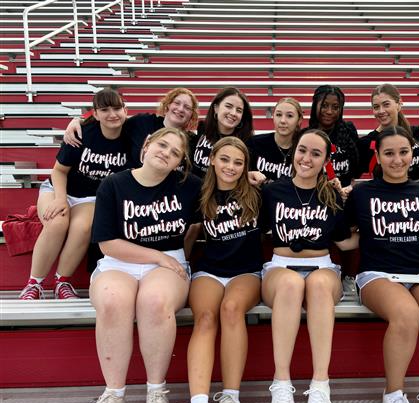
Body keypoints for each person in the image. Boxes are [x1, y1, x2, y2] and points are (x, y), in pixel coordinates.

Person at [78, 128, 202, 403]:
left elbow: (224, 193)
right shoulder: (114, 184)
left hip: (169, 262)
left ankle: (156, 393)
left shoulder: (189, 186)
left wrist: (255, 177)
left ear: (179, 163)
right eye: (162, 145)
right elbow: (107, 244)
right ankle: (114, 397)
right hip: (121, 260)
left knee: (155, 301)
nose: (166, 153)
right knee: (111, 301)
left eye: (175, 152)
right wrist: (158, 257)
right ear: (147, 144)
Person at [345, 125, 419, 403]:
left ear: (412, 154)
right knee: (406, 314)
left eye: (403, 152)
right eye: (389, 153)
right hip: (377, 273)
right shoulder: (362, 192)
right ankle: (393, 393)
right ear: (377, 157)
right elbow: (346, 236)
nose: (397, 160)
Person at [260, 129, 356, 403]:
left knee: (314, 284)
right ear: (294, 153)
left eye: (316, 153)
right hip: (279, 266)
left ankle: (320, 384)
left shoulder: (333, 195)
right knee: (290, 283)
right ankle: (281, 382)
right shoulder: (272, 191)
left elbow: (345, 244)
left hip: (322, 265)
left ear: (326, 159)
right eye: (303, 150)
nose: (307, 158)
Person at [183, 137, 262, 403]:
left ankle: (231, 397)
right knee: (204, 318)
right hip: (210, 270)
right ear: (213, 159)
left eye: (238, 162)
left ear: (246, 167)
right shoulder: (198, 192)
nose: (231, 167)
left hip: (247, 272)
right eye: (225, 160)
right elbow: (189, 232)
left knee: (231, 308)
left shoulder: (257, 193)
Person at [19, 88, 129, 300]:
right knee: (58, 221)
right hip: (58, 188)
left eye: (117, 108)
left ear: (125, 110)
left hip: (90, 197)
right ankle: (34, 284)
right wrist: (61, 199)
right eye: (105, 110)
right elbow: (59, 171)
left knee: (84, 226)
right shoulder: (83, 133)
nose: (112, 114)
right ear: (95, 114)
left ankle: (62, 282)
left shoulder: (131, 135)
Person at [64, 87, 199, 166]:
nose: (180, 109)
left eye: (187, 107)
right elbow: (113, 121)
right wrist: (79, 120)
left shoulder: (192, 141)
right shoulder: (142, 122)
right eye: (177, 103)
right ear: (168, 105)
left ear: (191, 114)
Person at [357, 84, 419, 180]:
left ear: (399, 104)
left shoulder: (416, 133)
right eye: (376, 107)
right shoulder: (365, 143)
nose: (381, 111)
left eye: (386, 105)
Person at [191, 86, 254, 178]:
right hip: (195, 188)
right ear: (216, 108)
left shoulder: (246, 142)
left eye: (239, 110)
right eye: (228, 106)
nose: (233, 113)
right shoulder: (203, 127)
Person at [306, 85, 359, 190]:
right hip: (315, 197)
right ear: (315, 105)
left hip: (344, 196)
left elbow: (356, 167)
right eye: (324, 105)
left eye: (335, 107)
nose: (329, 111)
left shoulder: (349, 130)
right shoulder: (306, 136)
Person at [246, 97, 303, 182]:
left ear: (299, 120)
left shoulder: (303, 149)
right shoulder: (254, 143)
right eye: (279, 115)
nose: (283, 120)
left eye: (289, 116)